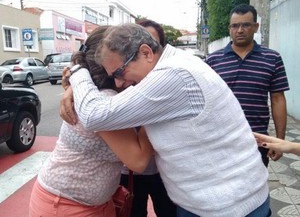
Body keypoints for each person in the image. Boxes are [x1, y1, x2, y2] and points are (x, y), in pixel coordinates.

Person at [60, 23, 271, 217]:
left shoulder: (172, 76)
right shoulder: (177, 61)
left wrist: (77, 72)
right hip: (218, 200)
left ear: (146, 52)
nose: (119, 82)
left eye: (119, 72)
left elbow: (94, 115)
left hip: (227, 207)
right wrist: (75, 88)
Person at [29, 26, 153, 217]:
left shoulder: (87, 92)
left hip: (89, 202)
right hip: (65, 205)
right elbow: (138, 161)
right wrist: (155, 112)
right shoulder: (104, 101)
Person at [205, 4, 290, 167]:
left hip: (257, 140)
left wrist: (279, 141)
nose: (240, 30)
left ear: (255, 27)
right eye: (235, 25)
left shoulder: (272, 58)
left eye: (246, 25)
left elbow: (278, 99)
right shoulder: (213, 61)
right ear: (229, 28)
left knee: (256, 189)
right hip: (221, 141)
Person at [119, 19, 176, 217]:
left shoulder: (172, 81)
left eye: (150, 43)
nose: (144, 52)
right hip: (129, 173)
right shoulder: (119, 80)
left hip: (165, 171)